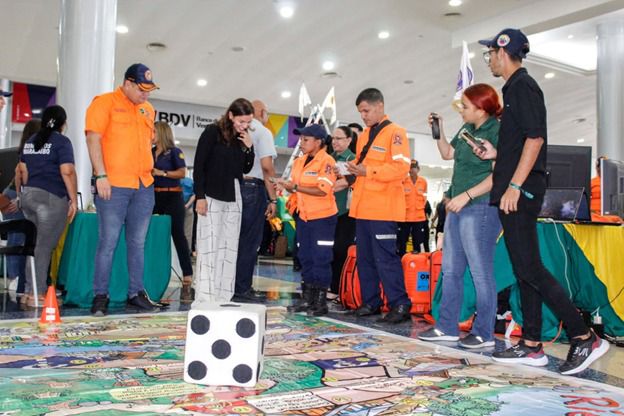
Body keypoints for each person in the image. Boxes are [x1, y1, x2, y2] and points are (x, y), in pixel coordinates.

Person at [476, 28, 609, 374]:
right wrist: (496, 155)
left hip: (520, 192)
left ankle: (584, 337)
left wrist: (515, 186)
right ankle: (532, 343)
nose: (488, 59)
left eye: (489, 53)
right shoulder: (515, 90)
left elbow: (535, 139)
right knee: (524, 268)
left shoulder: (523, 86)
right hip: (515, 188)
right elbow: (523, 142)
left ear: (502, 52)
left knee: (531, 267)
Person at [418, 83, 502, 349]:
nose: (462, 111)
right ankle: (446, 327)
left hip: (480, 206)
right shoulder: (466, 129)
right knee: (451, 269)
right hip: (457, 206)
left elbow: (499, 174)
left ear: (481, 108)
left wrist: (467, 195)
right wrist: (439, 131)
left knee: (480, 273)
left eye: (466, 107)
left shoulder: (497, 131)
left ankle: (483, 332)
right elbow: (447, 153)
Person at [85, 63, 160, 316]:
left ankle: (135, 294)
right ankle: (100, 296)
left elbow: (148, 146)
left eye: (149, 90)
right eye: (141, 89)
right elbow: (93, 139)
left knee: (138, 243)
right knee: (108, 242)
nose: (145, 94)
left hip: (144, 185)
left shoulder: (147, 109)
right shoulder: (104, 102)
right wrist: (100, 175)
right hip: (113, 184)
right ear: (127, 83)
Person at [344, 88, 412, 324]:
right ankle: (370, 302)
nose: (363, 115)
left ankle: (400, 304)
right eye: (360, 112)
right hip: (362, 208)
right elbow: (362, 163)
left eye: (366, 110)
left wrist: (368, 171)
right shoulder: (364, 135)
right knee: (365, 258)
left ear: (380, 106)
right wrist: (348, 168)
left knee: (385, 258)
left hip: (383, 208)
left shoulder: (396, 133)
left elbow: (401, 168)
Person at [15, 105, 77, 308]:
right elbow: (67, 171)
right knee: (43, 247)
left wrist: (21, 196)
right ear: (63, 123)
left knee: (33, 245)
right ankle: (38, 293)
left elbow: (22, 172)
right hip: (50, 199)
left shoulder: (31, 141)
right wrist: (73, 200)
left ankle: (27, 291)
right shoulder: (62, 142)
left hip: (29, 197)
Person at [193, 98, 254, 304]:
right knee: (209, 245)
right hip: (211, 195)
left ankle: (223, 294)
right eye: (242, 121)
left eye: (248, 122)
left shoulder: (242, 138)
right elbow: (199, 165)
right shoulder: (212, 132)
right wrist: (200, 196)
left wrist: (249, 148)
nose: (245, 126)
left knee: (229, 246)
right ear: (231, 115)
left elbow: (245, 169)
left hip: (234, 195)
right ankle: (204, 295)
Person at [276, 124, 337, 316]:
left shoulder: (327, 162)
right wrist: (286, 187)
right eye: (301, 139)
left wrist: (295, 187)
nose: (301, 143)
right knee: (305, 257)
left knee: (321, 258)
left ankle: (320, 302)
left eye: (306, 140)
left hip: (323, 218)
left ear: (318, 142)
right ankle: (307, 298)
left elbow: (322, 189)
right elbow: (295, 188)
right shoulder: (298, 162)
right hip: (303, 217)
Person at [232, 99, 278, 303]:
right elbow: (267, 167)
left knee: (232, 240)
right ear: (260, 111)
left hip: (234, 188)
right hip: (253, 189)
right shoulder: (263, 132)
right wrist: (273, 198)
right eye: (267, 112)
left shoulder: (234, 128)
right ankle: (242, 288)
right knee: (249, 242)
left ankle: (229, 285)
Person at [151, 121, 194, 302]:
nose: (150, 133)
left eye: (153, 131)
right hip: (154, 197)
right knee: (152, 235)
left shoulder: (174, 152)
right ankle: (153, 274)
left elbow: (182, 173)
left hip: (173, 197)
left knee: (178, 236)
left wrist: (162, 173)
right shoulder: (150, 152)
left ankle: (187, 276)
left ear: (160, 132)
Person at [4, 119, 41, 296]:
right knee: (19, 238)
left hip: (11, 194)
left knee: (15, 237)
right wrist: (20, 199)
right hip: (18, 196)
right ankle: (17, 279)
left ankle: (16, 280)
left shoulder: (23, 151)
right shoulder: (34, 152)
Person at [329, 125, 356, 298]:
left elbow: (345, 183)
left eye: (339, 138)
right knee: (329, 250)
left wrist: (322, 187)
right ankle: (329, 286)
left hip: (346, 213)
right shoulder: (329, 158)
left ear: (348, 140)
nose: (335, 142)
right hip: (328, 211)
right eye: (333, 138)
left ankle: (338, 289)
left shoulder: (352, 160)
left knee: (341, 250)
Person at [397, 160, 428, 256]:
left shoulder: (423, 182)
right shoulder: (403, 181)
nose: (412, 170)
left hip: (419, 217)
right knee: (402, 241)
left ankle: (416, 262)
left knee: (417, 241)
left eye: (414, 167)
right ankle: (402, 260)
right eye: (410, 168)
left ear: (418, 169)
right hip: (405, 217)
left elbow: (425, 198)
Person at [590, 156, 622, 223]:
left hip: (610, 215)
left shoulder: (614, 182)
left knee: (617, 220)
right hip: (594, 215)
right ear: (597, 168)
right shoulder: (591, 182)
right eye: (600, 166)